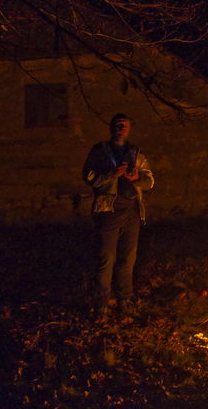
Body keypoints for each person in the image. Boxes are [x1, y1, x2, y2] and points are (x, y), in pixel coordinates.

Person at [82, 113, 154, 318]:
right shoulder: (100, 151)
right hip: (107, 211)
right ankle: (101, 303)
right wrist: (112, 174)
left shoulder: (135, 152)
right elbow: (89, 177)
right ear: (111, 127)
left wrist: (136, 176)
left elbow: (149, 181)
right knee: (106, 259)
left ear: (129, 129)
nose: (121, 128)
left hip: (132, 212)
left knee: (127, 259)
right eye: (118, 124)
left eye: (125, 125)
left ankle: (125, 300)